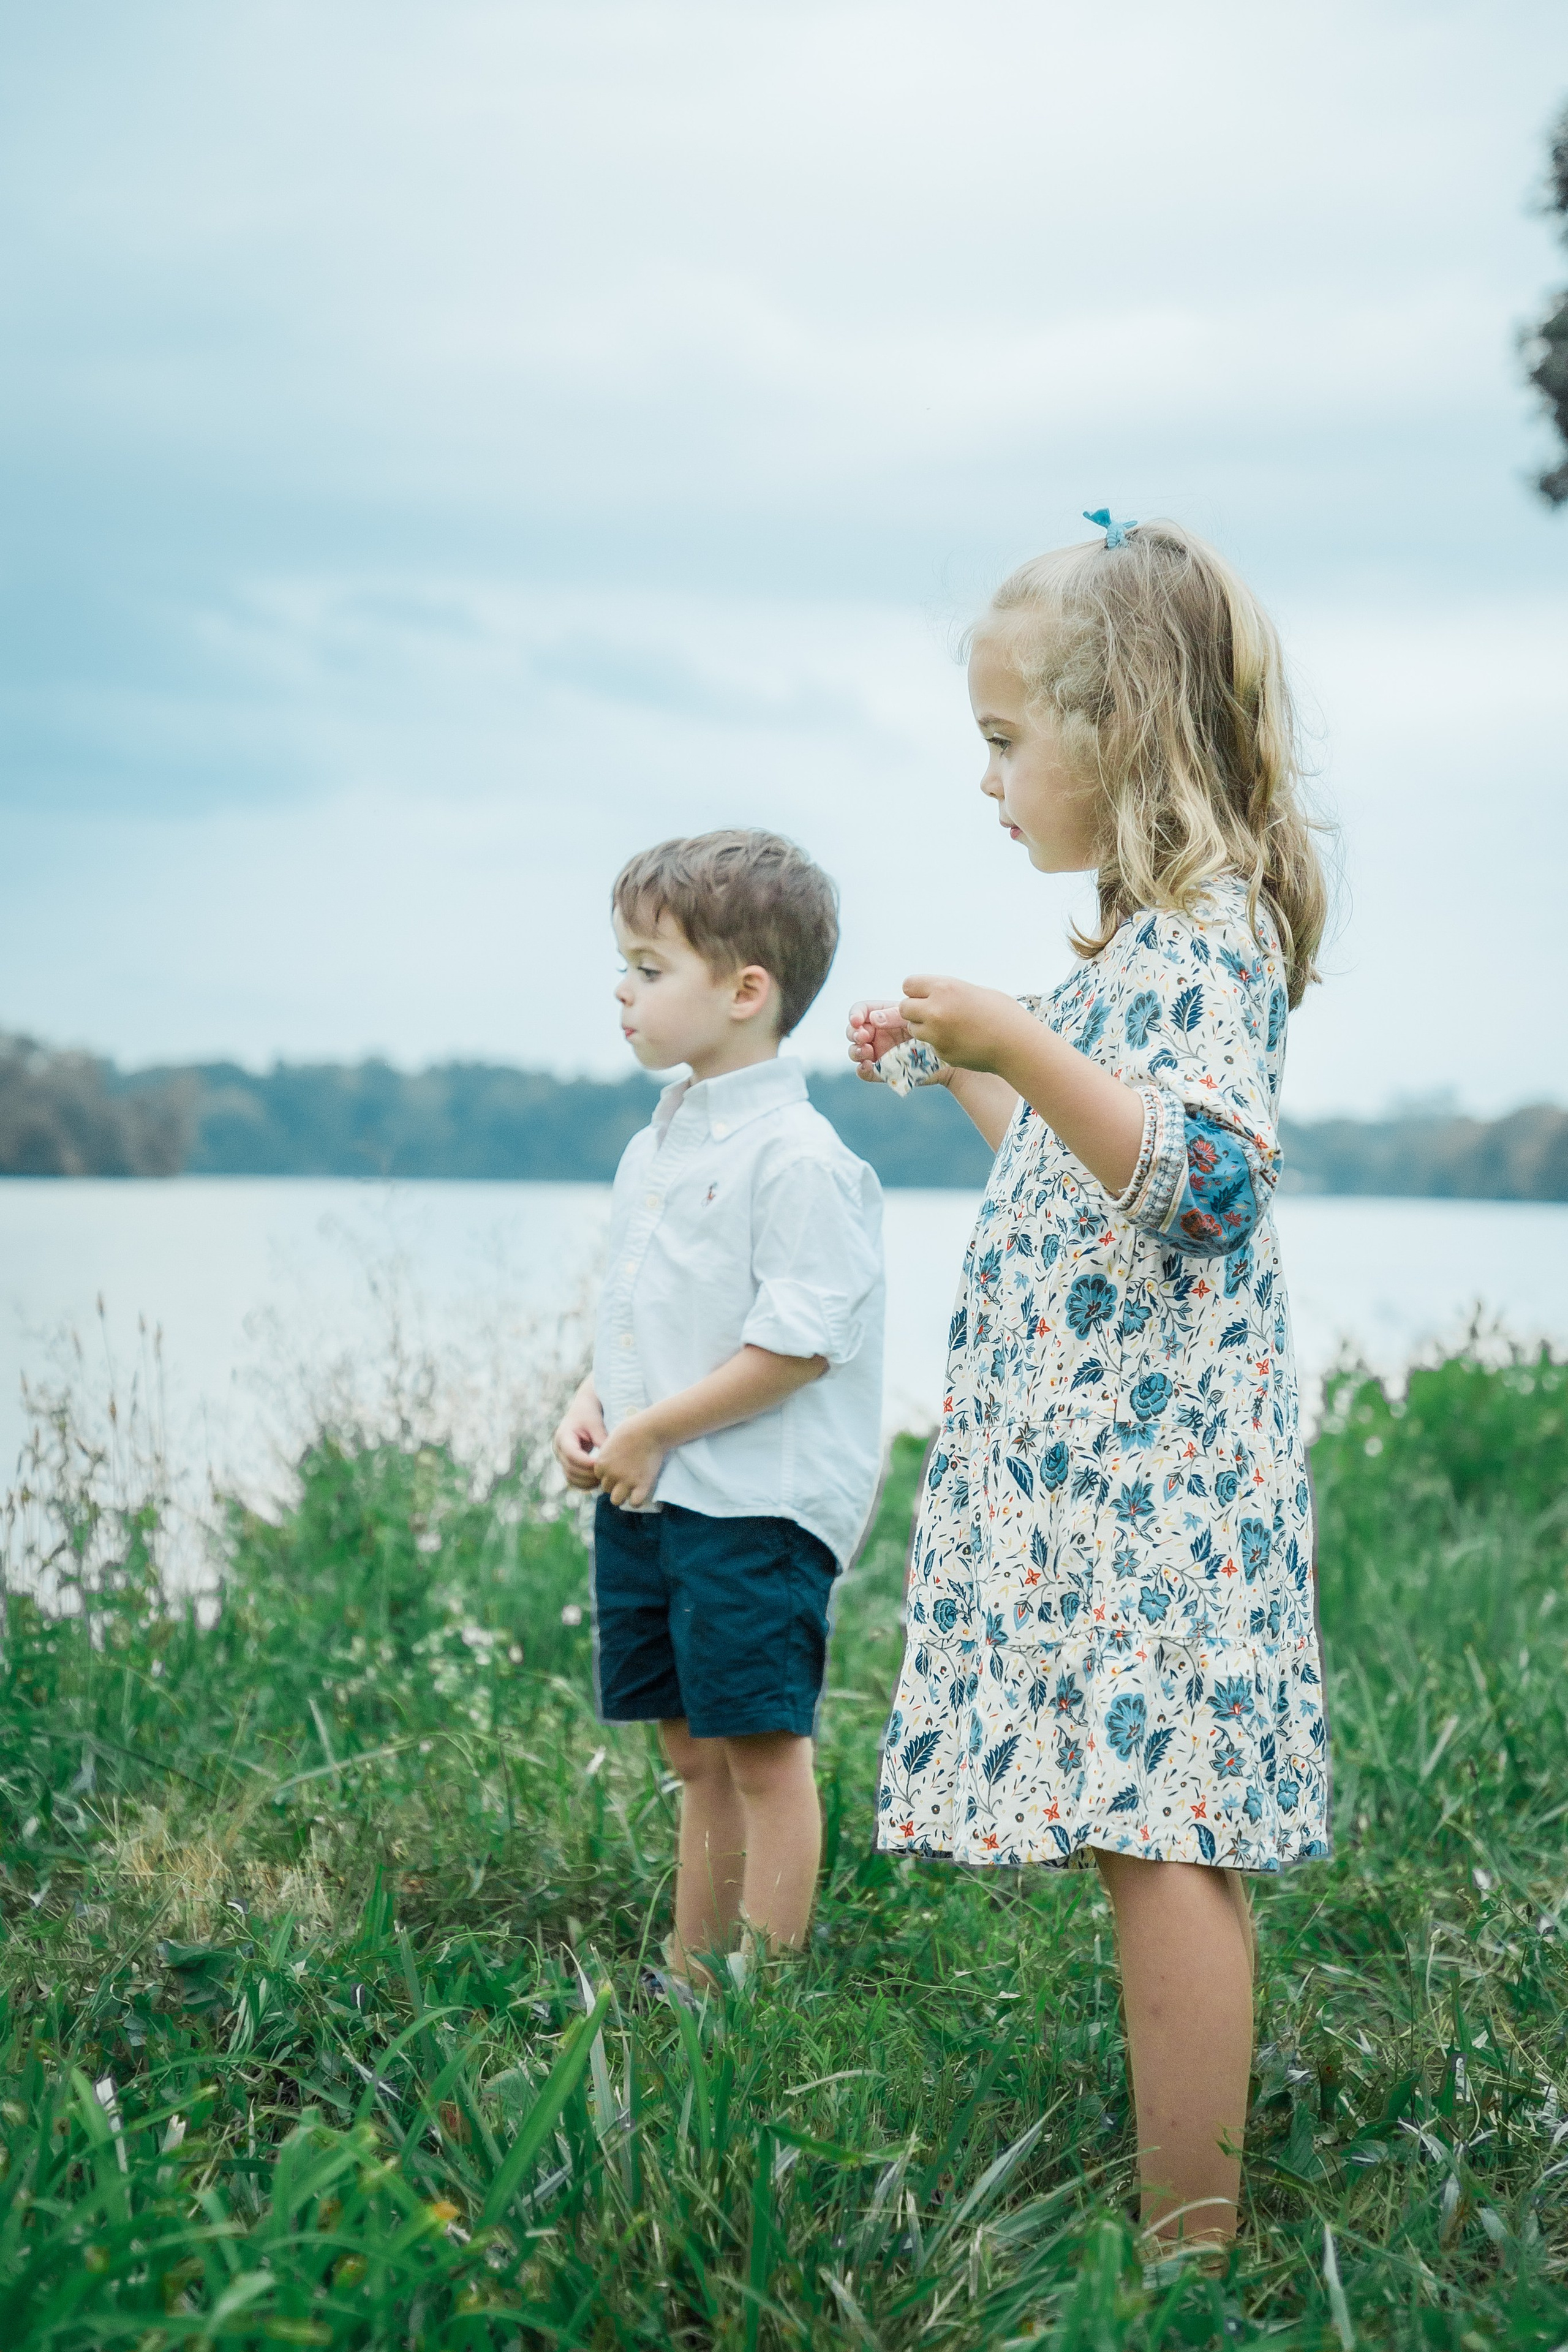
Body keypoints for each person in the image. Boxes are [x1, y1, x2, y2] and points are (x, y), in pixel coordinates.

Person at [848, 515, 1331, 2248]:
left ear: (1119, 728)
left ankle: (1188, 2247)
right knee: (1151, 1831)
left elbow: (1201, 1182)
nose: (986, 778)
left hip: (1164, 1492)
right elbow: (1088, 1174)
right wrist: (967, 1068)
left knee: (1166, 1837)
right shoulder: (1136, 955)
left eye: (1003, 738)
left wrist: (1024, 1035)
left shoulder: (1209, 936)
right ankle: (1180, 2216)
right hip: (1109, 1486)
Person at [554, 829, 884, 1989]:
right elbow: (643, 1317)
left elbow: (796, 1348)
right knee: (693, 1752)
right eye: (625, 964)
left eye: (650, 968)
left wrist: (654, 1432)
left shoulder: (799, 1159)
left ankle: (765, 1983)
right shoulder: (655, 1148)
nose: (623, 989)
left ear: (747, 993)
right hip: (653, 1490)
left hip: (752, 1504)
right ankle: (692, 1970)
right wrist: (597, 1407)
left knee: (762, 1753)